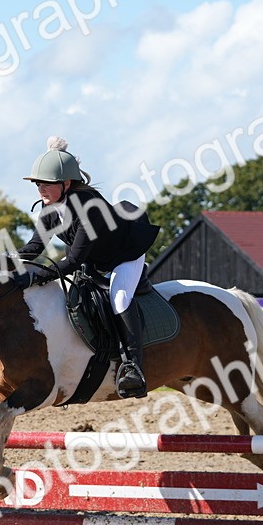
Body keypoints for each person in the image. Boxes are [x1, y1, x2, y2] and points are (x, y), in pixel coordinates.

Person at [14, 136, 160, 399]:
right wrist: (1, 260)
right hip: (95, 258)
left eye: (46, 184)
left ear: (66, 183)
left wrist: (35, 279)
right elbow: (34, 248)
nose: (40, 190)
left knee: (119, 298)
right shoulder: (49, 209)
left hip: (124, 256)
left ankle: (134, 367)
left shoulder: (88, 208)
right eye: (38, 184)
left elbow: (71, 261)